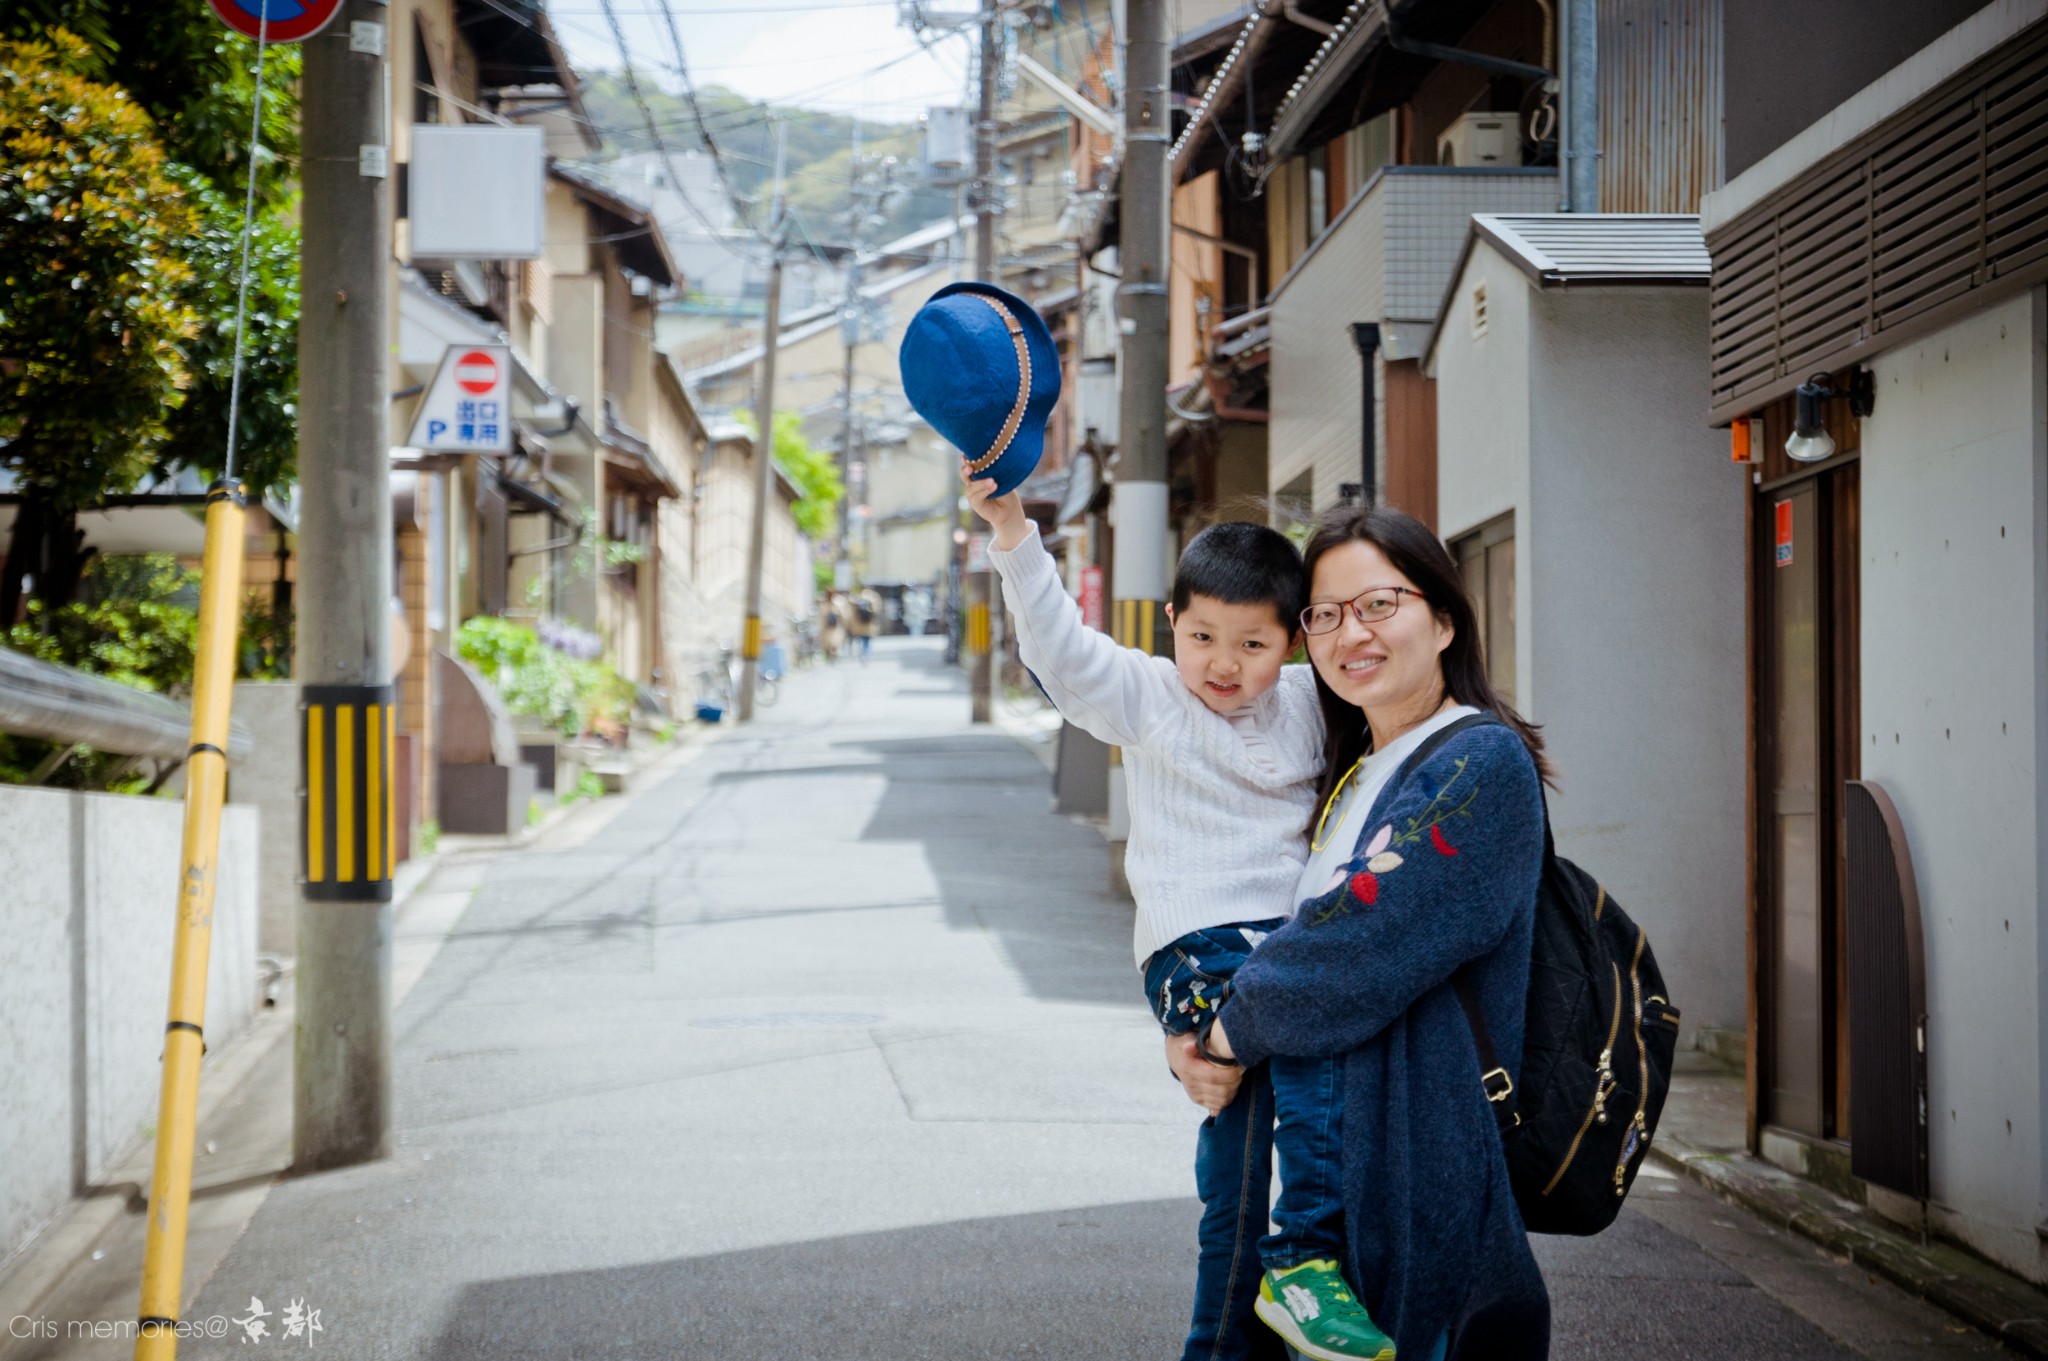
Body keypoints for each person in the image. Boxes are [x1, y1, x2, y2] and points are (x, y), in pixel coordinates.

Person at [968, 473, 1396, 1361]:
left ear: (1292, 642)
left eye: (1251, 642)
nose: (1222, 663)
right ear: (1171, 623)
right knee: (1287, 1083)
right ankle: (1301, 1265)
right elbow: (1056, 646)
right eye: (1201, 635)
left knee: (1262, 1138)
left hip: (1290, 944)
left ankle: (1254, 1313)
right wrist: (1013, 530)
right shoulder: (1149, 695)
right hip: (1199, 945)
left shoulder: (1315, 709)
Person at [1171, 504, 1553, 1361]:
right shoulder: (1355, 773)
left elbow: (1352, 946)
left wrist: (1225, 1030)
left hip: (1411, 1167)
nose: (1352, 633)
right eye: (1327, 614)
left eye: (1380, 604)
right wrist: (1189, 1030)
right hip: (1328, 1178)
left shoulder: (1478, 762)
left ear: (1445, 617)